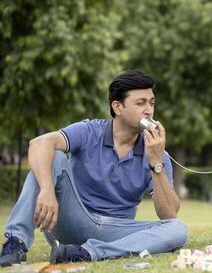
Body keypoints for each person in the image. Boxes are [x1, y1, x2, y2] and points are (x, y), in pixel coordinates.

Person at [0, 70, 187, 266]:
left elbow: (168, 215)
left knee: (178, 229)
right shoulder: (89, 131)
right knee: (53, 155)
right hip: (72, 221)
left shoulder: (157, 153)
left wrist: (156, 162)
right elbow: (39, 143)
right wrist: (47, 190)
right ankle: (16, 243)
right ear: (117, 107)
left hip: (114, 230)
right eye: (140, 103)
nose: (149, 110)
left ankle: (85, 253)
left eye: (152, 102)